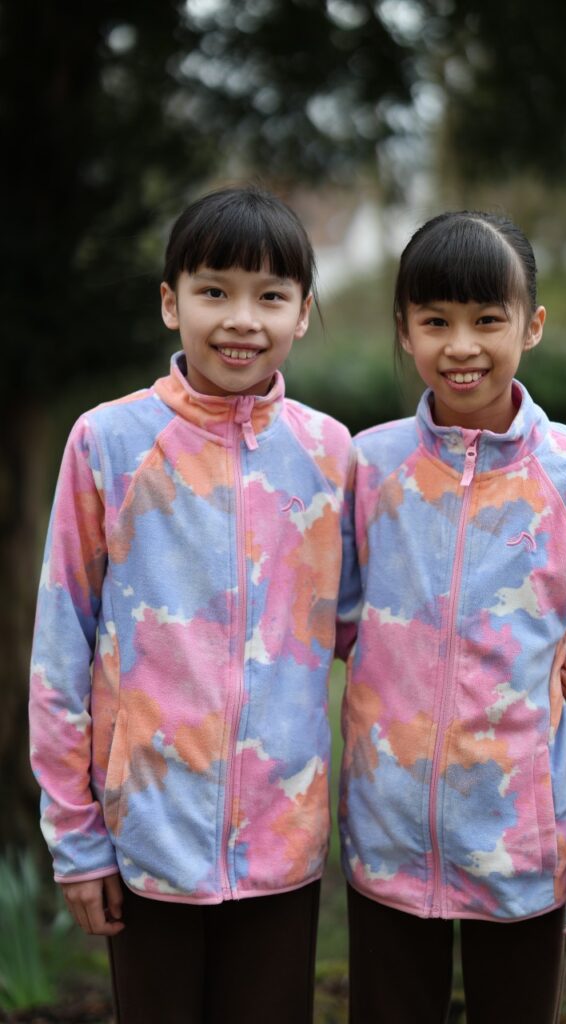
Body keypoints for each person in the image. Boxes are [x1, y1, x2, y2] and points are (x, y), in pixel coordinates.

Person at [28, 186, 355, 1024]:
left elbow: (374, 627)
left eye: (270, 296)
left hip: (284, 835)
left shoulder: (330, 453)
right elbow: (61, 647)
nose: (241, 319)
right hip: (148, 835)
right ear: (172, 303)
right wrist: (76, 839)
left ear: (303, 313)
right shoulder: (108, 443)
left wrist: (549, 661)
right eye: (215, 291)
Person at [336, 211, 566, 1024]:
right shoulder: (367, 466)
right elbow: (320, 623)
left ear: (531, 325)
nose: (461, 345)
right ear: (403, 329)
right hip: (387, 843)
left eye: (486, 319)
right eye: (435, 321)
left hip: (523, 852)